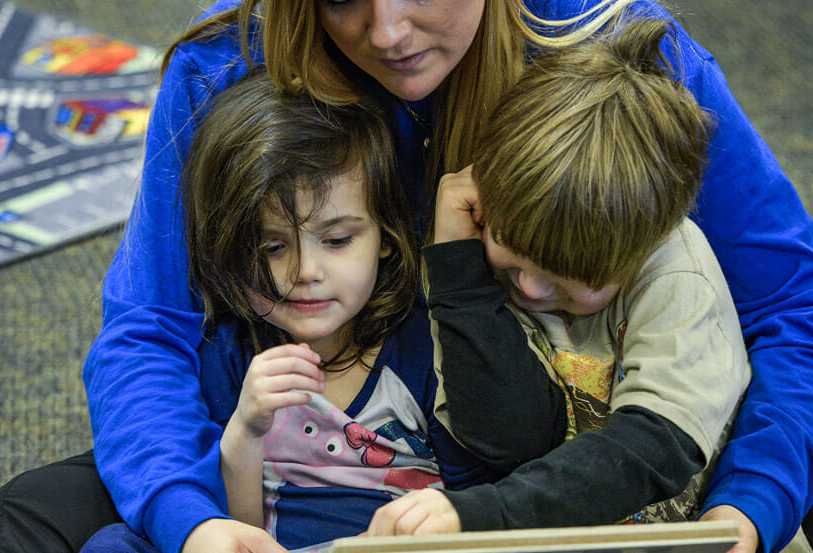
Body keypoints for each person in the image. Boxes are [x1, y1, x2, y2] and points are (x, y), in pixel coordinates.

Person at [0, 0, 813, 553]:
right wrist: (194, 521)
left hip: (575, 450)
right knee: (18, 526)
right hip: (316, 454)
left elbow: (802, 310)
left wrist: (750, 508)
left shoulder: (614, 47)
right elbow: (149, 332)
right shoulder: (221, 67)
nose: (388, 32)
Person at [80, 69, 528, 552]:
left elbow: (476, 506)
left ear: (385, 236)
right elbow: (236, 526)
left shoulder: (426, 349)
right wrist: (247, 429)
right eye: (271, 247)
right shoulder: (233, 354)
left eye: (337, 240)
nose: (304, 271)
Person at [373, 17, 758, 536]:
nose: (529, 289)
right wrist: (459, 267)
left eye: (568, 278)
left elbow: (651, 453)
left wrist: (485, 514)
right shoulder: (480, 244)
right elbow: (509, 435)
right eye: (509, 245)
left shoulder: (677, 272)